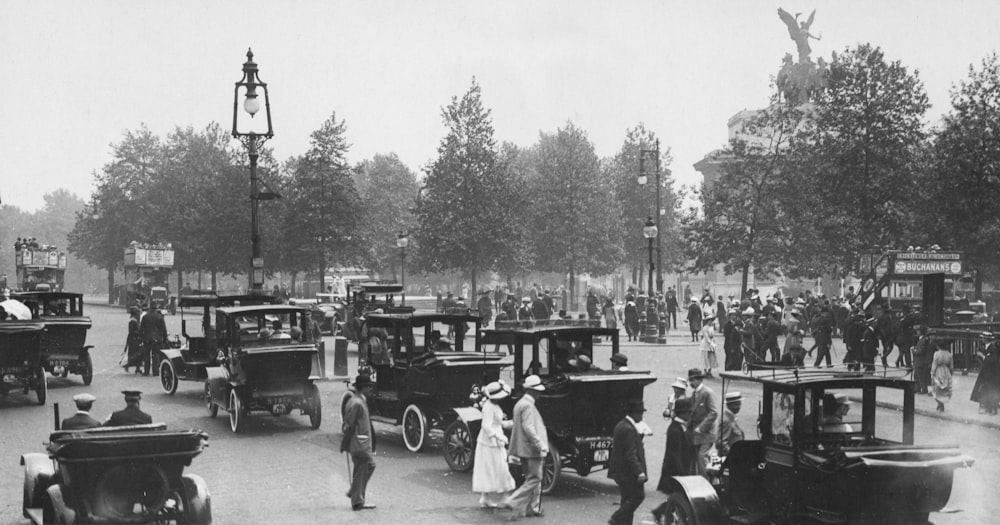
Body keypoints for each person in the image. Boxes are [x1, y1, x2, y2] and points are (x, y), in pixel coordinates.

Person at [503, 375, 548, 520]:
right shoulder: (528, 406)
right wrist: (540, 444)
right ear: (533, 391)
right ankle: (514, 501)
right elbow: (529, 428)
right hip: (531, 449)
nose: (540, 393)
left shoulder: (520, 404)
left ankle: (532, 508)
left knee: (531, 479)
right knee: (536, 477)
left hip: (521, 448)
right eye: (538, 391)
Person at [473, 381, 516, 508]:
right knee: (492, 469)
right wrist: (499, 436)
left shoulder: (495, 405)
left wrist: (511, 423)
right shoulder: (489, 407)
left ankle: (499, 497)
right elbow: (486, 425)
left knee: (499, 468)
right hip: (488, 442)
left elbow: (498, 423)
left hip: (496, 442)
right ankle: (493, 497)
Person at [652, 398, 695, 524]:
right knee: (679, 497)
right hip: (674, 470)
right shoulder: (675, 430)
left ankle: (659, 512)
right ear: (683, 413)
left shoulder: (681, 427)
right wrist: (682, 475)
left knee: (677, 496)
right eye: (689, 412)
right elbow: (675, 455)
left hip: (679, 469)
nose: (690, 415)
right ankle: (662, 512)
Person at [608, 399, 648, 525]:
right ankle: (616, 518)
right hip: (628, 473)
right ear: (635, 413)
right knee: (637, 496)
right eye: (640, 413)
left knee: (626, 499)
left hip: (621, 471)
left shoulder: (621, 425)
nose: (642, 416)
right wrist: (640, 472)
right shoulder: (629, 429)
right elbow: (631, 454)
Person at [342, 374, 377, 511]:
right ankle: (357, 501)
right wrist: (345, 443)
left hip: (362, 442)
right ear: (364, 388)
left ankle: (355, 491)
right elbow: (349, 425)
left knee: (366, 467)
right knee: (363, 468)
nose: (370, 389)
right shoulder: (356, 403)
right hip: (359, 443)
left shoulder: (360, 400)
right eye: (369, 387)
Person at [687, 368, 718, 476]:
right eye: (690, 380)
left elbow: (714, 412)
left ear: (699, 379)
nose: (691, 383)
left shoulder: (707, 393)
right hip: (696, 434)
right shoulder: (694, 394)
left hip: (706, 433)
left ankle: (706, 483)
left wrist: (701, 427)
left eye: (693, 380)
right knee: (695, 459)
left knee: (701, 457)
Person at [139, 302, 167, 376]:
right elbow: (164, 330)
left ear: (149, 307)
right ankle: (156, 371)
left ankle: (146, 371)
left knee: (146, 356)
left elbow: (141, 329)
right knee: (156, 355)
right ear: (156, 308)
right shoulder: (160, 317)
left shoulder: (145, 317)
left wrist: (141, 338)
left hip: (147, 339)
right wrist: (165, 339)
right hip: (157, 339)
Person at [716, 392, 745, 456]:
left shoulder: (732, 418)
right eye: (736, 405)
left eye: (739, 404)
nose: (738, 407)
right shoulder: (727, 420)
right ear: (728, 405)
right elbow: (720, 442)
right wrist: (731, 454)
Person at [931, 339, 954, 412]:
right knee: (945, 388)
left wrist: (932, 372)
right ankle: (941, 403)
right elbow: (951, 367)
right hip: (946, 371)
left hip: (939, 371)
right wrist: (950, 373)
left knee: (937, 387)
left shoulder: (937, 354)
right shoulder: (949, 354)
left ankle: (939, 403)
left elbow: (934, 364)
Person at [124, 306, 143, 373]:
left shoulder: (134, 320)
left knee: (137, 354)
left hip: (134, 339)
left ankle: (137, 368)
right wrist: (139, 332)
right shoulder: (133, 321)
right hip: (133, 339)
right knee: (135, 354)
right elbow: (131, 331)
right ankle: (128, 365)